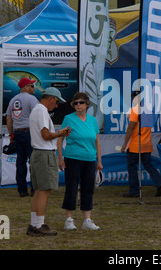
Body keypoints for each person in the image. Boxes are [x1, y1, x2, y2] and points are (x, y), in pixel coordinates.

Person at [26, 87, 71, 236]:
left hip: (38, 153)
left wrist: (58, 133)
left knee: (38, 190)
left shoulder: (37, 110)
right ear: (51, 98)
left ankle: (34, 224)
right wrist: (60, 133)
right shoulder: (42, 111)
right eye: (56, 102)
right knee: (44, 190)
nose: (56, 106)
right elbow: (45, 135)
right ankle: (39, 225)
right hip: (44, 154)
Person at [57, 92, 103, 230]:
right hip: (72, 158)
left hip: (90, 159)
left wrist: (99, 161)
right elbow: (60, 139)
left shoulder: (93, 120)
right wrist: (60, 158)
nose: (78, 105)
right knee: (71, 187)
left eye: (81, 102)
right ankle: (69, 220)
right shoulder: (68, 119)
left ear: (87, 104)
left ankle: (87, 220)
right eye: (75, 103)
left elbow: (97, 141)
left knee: (88, 188)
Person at [120, 90, 161, 197]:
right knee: (149, 165)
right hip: (146, 144)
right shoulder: (148, 110)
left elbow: (131, 128)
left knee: (132, 167)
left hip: (135, 145)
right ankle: (160, 184)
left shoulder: (135, 110)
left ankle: (134, 191)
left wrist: (125, 144)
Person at [6, 77, 39, 197]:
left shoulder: (12, 100)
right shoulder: (32, 99)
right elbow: (38, 116)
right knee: (33, 162)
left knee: (20, 162)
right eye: (31, 86)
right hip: (29, 133)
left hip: (17, 133)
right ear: (25, 87)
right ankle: (35, 189)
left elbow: (9, 119)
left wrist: (11, 134)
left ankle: (22, 190)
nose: (33, 88)